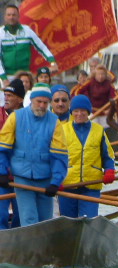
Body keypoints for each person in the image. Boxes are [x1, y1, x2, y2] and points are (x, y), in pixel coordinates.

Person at [0, 83, 67, 226]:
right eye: (39, 102)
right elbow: (3, 148)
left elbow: (60, 155)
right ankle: (30, 247)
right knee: (29, 218)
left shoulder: (54, 122)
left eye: (45, 102)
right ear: (32, 100)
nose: (42, 106)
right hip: (22, 177)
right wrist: (2, 172)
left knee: (45, 220)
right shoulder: (16, 117)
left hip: (45, 178)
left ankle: (43, 247)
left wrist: (56, 182)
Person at [59, 95, 116, 218]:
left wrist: (110, 171)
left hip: (91, 186)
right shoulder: (62, 130)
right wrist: (55, 178)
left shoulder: (99, 131)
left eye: (83, 111)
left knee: (89, 219)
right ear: (72, 112)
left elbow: (108, 156)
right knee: (68, 221)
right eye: (76, 111)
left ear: (88, 112)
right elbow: (55, 157)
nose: (79, 114)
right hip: (67, 185)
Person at [0, 4, 57, 85]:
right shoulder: (0, 33)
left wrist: (53, 63)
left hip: (25, 76)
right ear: (5, 17)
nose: (11, 17)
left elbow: (42, 47)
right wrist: (3, 78)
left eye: (14, 15)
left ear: (18, 16)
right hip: (7, 76)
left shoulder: (27, 30)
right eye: (9, 15)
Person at [0, 78, 25, 229]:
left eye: (10, 96)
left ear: (20, 99)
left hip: (20, 175)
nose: (6, 98)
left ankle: (18, 239)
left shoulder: (28, 117)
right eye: (6, 95)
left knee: (21, 214)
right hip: (1, 174)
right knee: (1, 214)